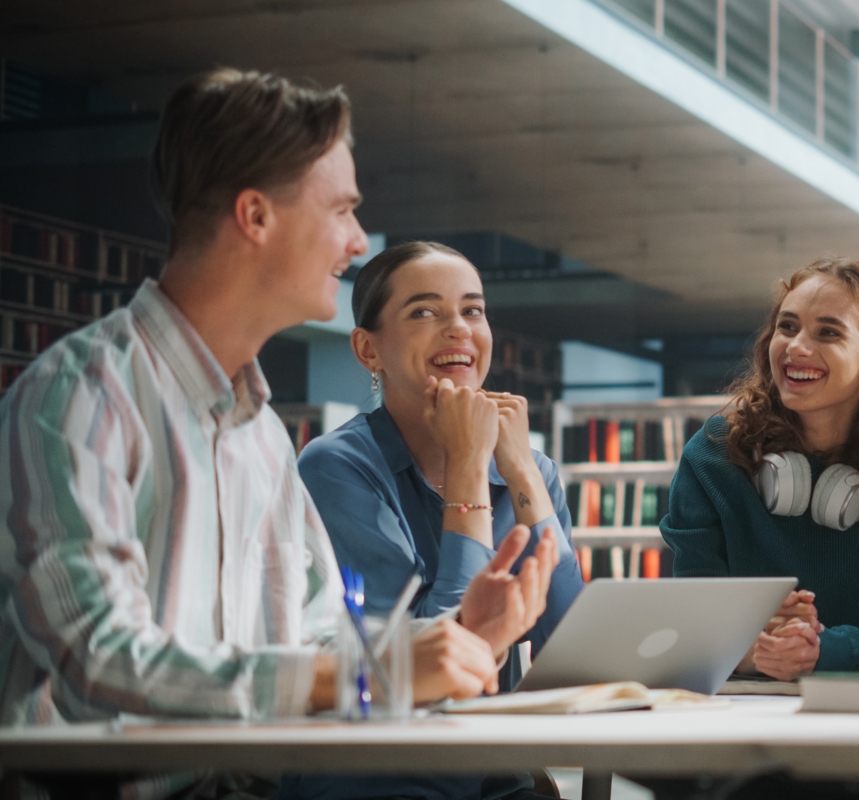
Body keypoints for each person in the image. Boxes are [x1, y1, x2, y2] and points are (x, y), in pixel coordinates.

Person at [0, 69, 502, 798]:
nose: (358, 242)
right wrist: (365, 672)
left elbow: (316, 640)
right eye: (341, 210)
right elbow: (98, 659)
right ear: (256, 217)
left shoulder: (262, 436)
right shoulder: (80, 395)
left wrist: (448, 634)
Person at [283, 240, 577, 800]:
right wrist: (468, 464)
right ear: (369, 351)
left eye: (472, 310)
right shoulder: (334, 466)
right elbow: (426, 658)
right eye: (424, 311)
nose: (458, 329)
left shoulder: (530, 466)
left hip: (491, 770)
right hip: (377, 771)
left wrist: (520, 469)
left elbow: (566, 639)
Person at [662, 257, 859, 678]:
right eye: (787, 327)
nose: (796, 347)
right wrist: (756, 651)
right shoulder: (714, 454)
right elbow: (690, 628)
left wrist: (823, 651)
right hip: (737, 711)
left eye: (828, 332)